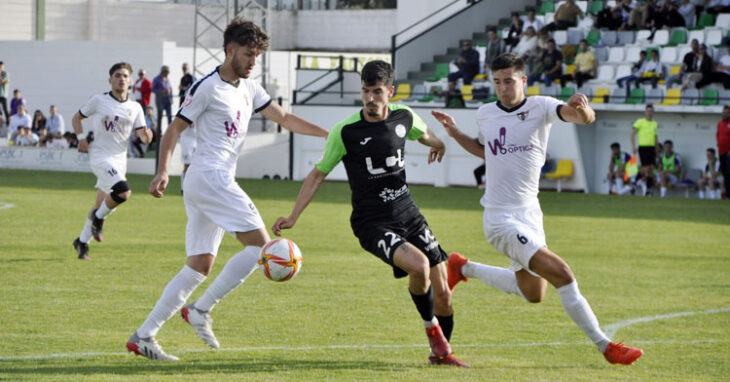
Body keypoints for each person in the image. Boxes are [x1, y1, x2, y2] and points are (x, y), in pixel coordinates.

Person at [126, 18, 329, 361]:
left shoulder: (250, 87)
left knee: (199, 265)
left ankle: (144, 336)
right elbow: (174, 130)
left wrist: (328, 135)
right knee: (264, 249)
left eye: (257, 56)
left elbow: (284, 118)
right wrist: (163, 171)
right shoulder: (207, 87)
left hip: (209, 181)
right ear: (230, 50)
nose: (253, 62)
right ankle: (201, 310)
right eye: (249, 54)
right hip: (211, 176)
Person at [430, 52, 644, 366]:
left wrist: (583, 111)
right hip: (500, 219)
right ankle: (606, 346)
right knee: (563, 274)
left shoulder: (540, 106)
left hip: (531, 214)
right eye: (498, 82)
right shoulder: (486, 113)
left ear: (524, 81)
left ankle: (463, 268)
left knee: (533, 292)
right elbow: (487, 152)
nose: (503, 88)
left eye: (509, 81)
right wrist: (455, 134)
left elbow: (579, 118)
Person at [272, 60, 469, 368]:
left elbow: (423, 133)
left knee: (443, 291)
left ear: (390, 91)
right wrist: (293, 216)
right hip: (372, 222)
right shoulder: (346, 132)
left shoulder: (404, 117)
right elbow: (317, 175)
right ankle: (433, 334)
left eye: (377, 92)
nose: (371, 99)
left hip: (409, 212)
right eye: (366, 91)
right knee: (418, 266)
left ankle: (441, 356)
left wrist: (440, 143)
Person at [70, 62, 153, 261]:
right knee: (123, 192)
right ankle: (98, 220)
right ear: (110, 80)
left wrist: (147, 135)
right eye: (117, 75)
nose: (121, 78)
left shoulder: (135, 107)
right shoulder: (99, 100)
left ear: (130, 81)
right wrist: (81, 139)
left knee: (102, 203)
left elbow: (143, 134)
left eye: (125, 75)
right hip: (100, 157)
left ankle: (81, 243)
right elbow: (76, 118)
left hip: (119, 162)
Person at [631, 104, 659, 196]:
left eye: (651, 111)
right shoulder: (640, 122)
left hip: (651, 147)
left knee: (651, 169)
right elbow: (632, 134)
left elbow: (656, 137)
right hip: (643, 147)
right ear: (645, 112)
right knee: (645, 168)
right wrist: (633, 146)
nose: (649, 113)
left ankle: (649, 189)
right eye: (648, 111)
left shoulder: (654, 123)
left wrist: (657, 148)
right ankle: (635, 182)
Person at [152, 65, 173, 130]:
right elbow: (153, 89)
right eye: (167, 72)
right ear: (163, 72)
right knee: (160, 117)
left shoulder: (167, 79)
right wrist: (162, 91)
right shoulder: (156, 79)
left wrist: (170, 94)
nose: (167, 74)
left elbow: (170, 88)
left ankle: (170, 132)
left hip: (168, 101)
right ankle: (159, 133)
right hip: (160, 101)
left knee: (169, 117)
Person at [717, 105, 730, 199]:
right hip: (722, 152)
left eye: (727, 112)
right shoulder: (720, 123)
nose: (725, 114)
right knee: (725, 173)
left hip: (729, 152)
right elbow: (718, 135)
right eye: (724, 112)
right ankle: (728, 194)